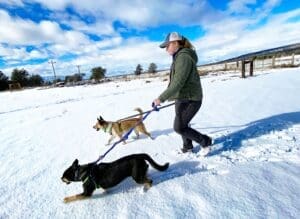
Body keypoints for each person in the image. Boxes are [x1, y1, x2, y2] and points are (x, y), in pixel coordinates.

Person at [153, 32, 212, 153]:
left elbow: (178, 82)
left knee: (179, 127)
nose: (166, 49)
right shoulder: (178, 57)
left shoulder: (183, 57)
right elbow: (176, 81)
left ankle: (205, 141)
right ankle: (187, 146)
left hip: (191, 98)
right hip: (182, 97)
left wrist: (161, 98)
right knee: (183, 125)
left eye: (167, 46)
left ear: (175, 43)